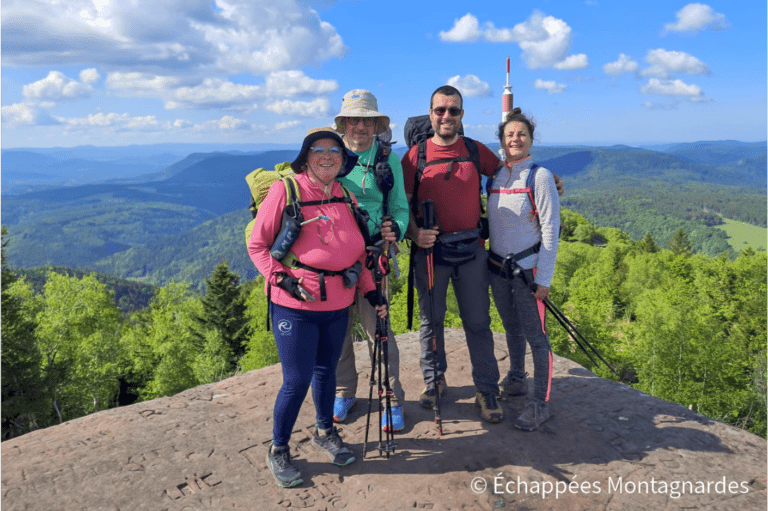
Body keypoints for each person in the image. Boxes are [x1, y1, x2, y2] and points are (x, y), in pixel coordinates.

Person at [248, 127, 387, 488]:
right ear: (305, 157)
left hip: (338, 303)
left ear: (344, 161)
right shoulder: (286, 190)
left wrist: (371, 293)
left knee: (327, 371)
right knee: (296, 380)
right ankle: (278, 449)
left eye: (334, 151)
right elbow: (258, 246)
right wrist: (281, 279)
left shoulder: (345, 196)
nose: (327, 156)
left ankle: (325, 431)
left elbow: (359, 256)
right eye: (318, 150)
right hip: (295, 305)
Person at [401, 85, 504, 423]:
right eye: (440, 110)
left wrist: (546, 179)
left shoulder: (476, 151)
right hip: (430, 252)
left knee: (478, 322)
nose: (446, 116)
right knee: (432, 322)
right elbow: (399, 205)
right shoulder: (415, 156)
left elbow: (510, 175)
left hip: (472, 251)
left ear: (462, 115)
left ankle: (487, 389)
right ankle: (434, 381)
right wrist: (415, 232)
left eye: (453, 110)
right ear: (430, 114)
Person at [332, 90, 410, 432]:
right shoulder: (329, 154)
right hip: (333, 257)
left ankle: (390, 397)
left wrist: (399, 229)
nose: (360, 126)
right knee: (336, 332)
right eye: (354, 119)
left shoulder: (386, 158)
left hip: (372, 255)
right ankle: (343, 391)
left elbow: (400, 207)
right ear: (344, 123)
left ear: (376, 124)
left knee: (376, 329)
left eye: (367, 120)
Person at [486, 108, 560, 431]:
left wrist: (543, 279)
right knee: (511, 329)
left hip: (528, 273)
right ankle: (516, 378)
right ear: (502, 140)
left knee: (536, 337)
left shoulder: (540, 176)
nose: (515, 139)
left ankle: (540, 404)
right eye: (509, 134)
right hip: (498, 270)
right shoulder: (496, 177)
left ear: (531, 139)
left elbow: (550, 230)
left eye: (521, 134)